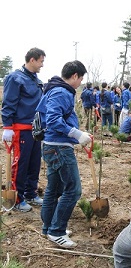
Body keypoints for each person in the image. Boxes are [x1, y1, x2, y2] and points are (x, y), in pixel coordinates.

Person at [35, 60, 91, 248]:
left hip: (53, 145)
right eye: (81, 79)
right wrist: (76, 133)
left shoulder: (55, 89)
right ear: (75, 76)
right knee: (73, 190)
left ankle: (48, 226)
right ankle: (57, 231)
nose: (80, 83)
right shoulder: (62, 92)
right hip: (58, 147)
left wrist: (78, 136)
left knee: (54, 188)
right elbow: (53, 120)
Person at [1, 47, 46, 212]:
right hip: (20, 128)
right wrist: (7, 126)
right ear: (32, 60)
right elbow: (9, 102)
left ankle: (30, 193)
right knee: (21, 163)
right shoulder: (15, 78)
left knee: (34, 163)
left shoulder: (35, 80)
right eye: (41, 61)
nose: (42, 65)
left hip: (35, 129)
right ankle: (17, 198)